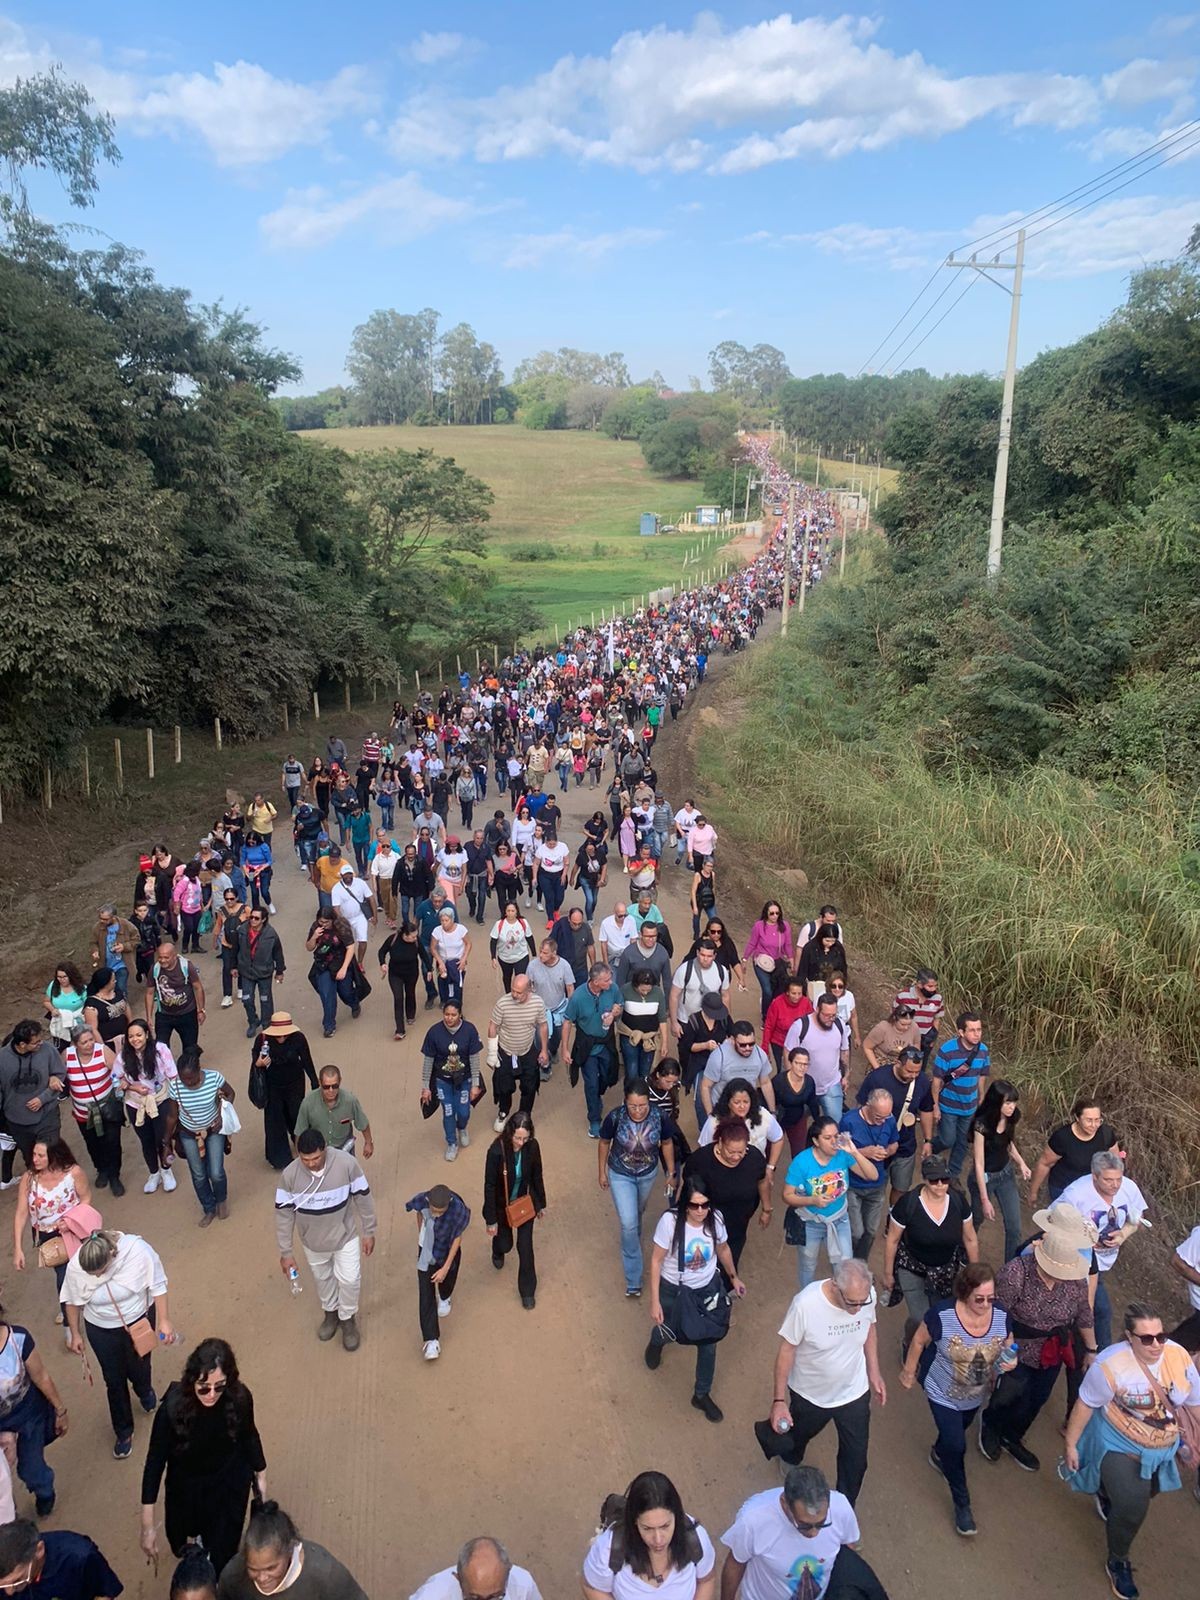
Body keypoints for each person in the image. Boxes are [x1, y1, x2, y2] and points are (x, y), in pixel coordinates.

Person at [1063, 1302, 1200, 1600]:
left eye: (1160, 1336)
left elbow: (1193, 1403)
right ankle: (1118, 1559)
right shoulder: (1110, 1365)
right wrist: (1071, 1444)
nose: (1156, 1344)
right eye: (1147, 1338)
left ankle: (1105, 1490)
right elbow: (1086, 1403)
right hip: (1118, 1443)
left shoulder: (1177, 1357)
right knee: (1133, 1508)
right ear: (1129, 1337)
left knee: (1147, 1490)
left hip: (1162, 1448)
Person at [978, 1202, 1099, 1471]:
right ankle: (992, 1426)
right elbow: (998, 1313)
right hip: (1016, 1346)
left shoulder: (1076, 1279)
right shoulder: (1016, 1273)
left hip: (1052, 1350)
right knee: (1008, 1393)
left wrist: (1091, 1349)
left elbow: (1083, 1313)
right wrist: (1003, 1347)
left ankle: (1013, 1436)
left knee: (1037, 1398)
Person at [898, 1261, 1014, 1536]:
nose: (986, 1304)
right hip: (942, 1391)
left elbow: (1009, 1343)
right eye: (979, 1299)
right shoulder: (942, 1315)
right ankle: (962, 1502)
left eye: (991, 1298)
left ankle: (939, 1453)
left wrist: (1011, 1358)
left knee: (956, 1433)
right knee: (957, 1445)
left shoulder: (1001, 1315)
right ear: (964, 1292)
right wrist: (909, 1370)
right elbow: (918, 1341)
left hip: (975, 1394)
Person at [139, 1338, 267, 1574]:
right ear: (191, 1380)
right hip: (187, 1486)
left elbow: (250, 1435)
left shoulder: (239, 1398)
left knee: (224, 1547)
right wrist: (147, 1524)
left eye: (220, 1386)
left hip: (229, 1482)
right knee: (183, 1537)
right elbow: (154, 1463)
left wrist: (261, 1475)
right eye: (203, 1387)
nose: (211, 1394)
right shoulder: (172, 1409)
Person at [767, 1259, 885, 1507]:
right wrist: (779, 1401)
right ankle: (790, 1456)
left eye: (861, 1302)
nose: (856, 1309)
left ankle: (843, 1510)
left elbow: (870, 1328)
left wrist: (873, 1371)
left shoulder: (866, 1296)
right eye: (851, 1302)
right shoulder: (805, 1305)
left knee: (856, 1460)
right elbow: (787, 1350)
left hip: (854, 1392)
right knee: (798, 1436)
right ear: (834, 1286)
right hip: (810, 1393)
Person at [61, 1228, 175, 1459]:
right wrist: (75, 1333)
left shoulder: (137, 1251)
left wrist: (163, 1320)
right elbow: (72, 1301)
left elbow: (157, 1283)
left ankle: (144, 1389)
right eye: (90, 1274)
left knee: (140, 1364)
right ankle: (123, 1430)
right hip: (100, 1329)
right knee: (113, 1380)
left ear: (111, 1256)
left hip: (138, 1321)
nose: (94, 1277)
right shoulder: (76, 1267)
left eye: (98, 1272)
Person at [645, 1177, 746, 1424]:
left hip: (707, 1289)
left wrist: (734, 1277)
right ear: (684, 1205)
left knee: (708, 1341)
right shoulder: (670, 1222)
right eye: (694, 1205)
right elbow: (657, 1260)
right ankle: (657, 1340)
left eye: (705, 1204)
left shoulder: (716, 1219)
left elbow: (723, 1249)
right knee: (671, 1329)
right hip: (675, 1290)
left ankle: (701, 1394)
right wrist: (655, 1301)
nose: (700, 1211)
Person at [720, 1465, 885, 1600]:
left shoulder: (841, 1507)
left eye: (822, 1524)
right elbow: (735, 1563)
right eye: (805, 1526)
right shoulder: (753, 1520)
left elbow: (847, 1550)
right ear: (785, 1504)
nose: (814, 1533)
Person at [276, 1130, 376, 1351]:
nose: (311, 1164)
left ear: (325, 1151)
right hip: (312, 1242)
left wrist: (369, 1231)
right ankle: (331, 1313)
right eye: (305, 1159)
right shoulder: (290, 1175)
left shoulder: (346, 1164)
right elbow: (283, 1214)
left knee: (350, 1280)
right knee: (323, 1279)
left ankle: (348, 1317)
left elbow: (363, 1197)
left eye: (316, 1158)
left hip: (345, 1237)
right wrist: (286, 1253)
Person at [882, 1156, 979, 1352]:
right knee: (921, 1317)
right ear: (925, 1180)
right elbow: (892, 1239)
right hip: (912, 1266)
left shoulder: (958, 1202)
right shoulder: (908, 1204)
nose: (940, 1185)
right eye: (934, 1180)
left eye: (945, 1179)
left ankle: (932, 1349)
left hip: (946, 1269)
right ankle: (910, 1342)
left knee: (943, 1313)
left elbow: (970, 1239)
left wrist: (975, 1272)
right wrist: (887, 1273)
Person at [599, 1078, 680, 1298]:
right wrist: (602, 1171)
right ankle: (633, 1277)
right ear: (625, 1102)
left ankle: (633, 1231)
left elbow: (667, 1143)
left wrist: (671, 1173)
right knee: (628, 1223)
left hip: (647, 1175)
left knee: (637, 1213)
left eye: (642, 1105)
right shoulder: (615, 1117)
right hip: (620, 1174)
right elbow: (605, 1142)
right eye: (633, 1106)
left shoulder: (659, 1116)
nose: (638, 1111)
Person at [1060, 1153, 1148, 1350]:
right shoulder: (1075, 1194)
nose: (1115, 1185)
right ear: (1094, 1176)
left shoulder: (1129, 1187)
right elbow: (1053, 1223)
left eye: (1118, 1179)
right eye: (1108, 1180)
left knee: (1091, 1307)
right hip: (1080, 1262)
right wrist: (1080, 1240)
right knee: (1101, 1310)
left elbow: (1138, 1217)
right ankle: (1094, 1353)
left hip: (1106, 1260)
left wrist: (1124, 1233)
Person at [583, 1471, 716, 1600]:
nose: (658, 1539)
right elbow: (593, 1588)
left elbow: (706, 1580)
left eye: (665, 1526)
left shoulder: (695, 1539)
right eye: (647, 1528)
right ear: (634, 1521)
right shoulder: (609, 1550)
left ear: (676, 1516)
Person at [784, 1118, 878, 1289]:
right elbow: (787, 1196)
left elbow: (872, 1176)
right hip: (810, 1222)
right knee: (808, 1265)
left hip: (839, 1219)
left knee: (844, 1265)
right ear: (815, 1141)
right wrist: (812, 1200)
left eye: (836, 1136)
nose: (834, 1142)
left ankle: (842, 1299)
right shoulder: (802, 1162)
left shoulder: (843, 1155)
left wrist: (855, 1152)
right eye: (827, 1138)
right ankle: (806, 1298)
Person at [216, 1500, 367, 1600]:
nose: (262, 1578)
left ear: (289, 1550)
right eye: (253, 1569)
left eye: (271, 1568)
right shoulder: (232, 1577)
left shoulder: (326, 1574)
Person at [0, 1305, 70, 1516]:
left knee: (30, 1469)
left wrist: (60, 1411)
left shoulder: (18, 1339)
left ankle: (44, 1491)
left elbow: (42, 1377)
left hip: (28, 1418)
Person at [12, 1136, 92, 1308]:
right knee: (63, 1271)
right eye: (34, 1154)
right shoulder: (29, 1178)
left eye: (41, 1155)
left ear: (54, 1156)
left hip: (72, 1230)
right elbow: (21, 1213)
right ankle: (71, 1307)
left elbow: (85, 1198)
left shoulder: (73, 1173)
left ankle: (69, 1313)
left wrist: (71, 1221)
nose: (35, 1159)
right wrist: (18, 1248)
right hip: (46, 1234)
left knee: (71, 1270)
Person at [684, 1117, 770, 1270]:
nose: (736, 1157)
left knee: (731, 1260)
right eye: (731, 1152)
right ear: (720, 1143)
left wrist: (766, 1208)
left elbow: (762, 1181)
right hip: (706, 1223)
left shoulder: (754, 1158)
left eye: (741, 1152)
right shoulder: (700, 1161)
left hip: (739, 1224)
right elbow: (687, 1190)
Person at [483, 1112, 546, 1310]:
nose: (520, 1142)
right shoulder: (496, 1151)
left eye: (525, 1138)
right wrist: (491, 1219)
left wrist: (540, 1204)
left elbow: (537, 1176)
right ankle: (497, 1249)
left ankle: (527, 1291)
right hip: (502, 1207)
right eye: (517, 1138)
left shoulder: (533, 1147)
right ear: (510, 1133)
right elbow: (490, 1186)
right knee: (506, 1243)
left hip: (524, 1204)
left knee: (525, 1247)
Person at [856, 1046, 934, 1203]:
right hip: (879, 1145)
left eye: (916, 1072)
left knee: (901, 1188)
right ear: (898, 1063)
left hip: (905, 1144)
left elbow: (926, 1110)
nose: (913, 1076)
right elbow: (861, 1111)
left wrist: (927, 1140)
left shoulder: (922, 1081)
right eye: (909, 1071)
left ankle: (893, 1219)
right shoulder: (877, 1078)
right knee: (876, 1188)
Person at [404, 1184, 470, 1362]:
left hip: (446, 1249)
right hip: (426, 1252)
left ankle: (445, 1295)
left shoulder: (458, 1210)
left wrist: (445, 1268)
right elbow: (416, 1210)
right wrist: (422, 1235)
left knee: (447, 1279)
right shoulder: (422, 1199)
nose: (436, 1214)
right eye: (434, 1210)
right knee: (425, 1293)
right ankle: (431, 1339)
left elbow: (457, 1238)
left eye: (440, 1212)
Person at [167, 1048, 233, 1226]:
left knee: (216, 1172)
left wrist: (221, 1115)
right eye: (183, 1078)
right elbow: (172, 1116)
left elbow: (230, 1093)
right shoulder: (174, 1086)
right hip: (189, 1134)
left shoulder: (214, 1078)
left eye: (191, 1077)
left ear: (199, 1070)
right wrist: (166, 1142)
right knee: (198, 1174)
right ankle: (209, 1208)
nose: (187, 1082)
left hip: (213, 1130)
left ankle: (221, 1200)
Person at [968, 1079, 1031, 1264]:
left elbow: (1008, 1143)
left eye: (1014, 1102)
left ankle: (1010, 1269)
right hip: (984, 1178)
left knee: (1014, 1227)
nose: (1012, 1107)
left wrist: (1021, 1163)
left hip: (1006, 1175)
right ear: (997, 1102)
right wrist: (985, 1198)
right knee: (977, 1218)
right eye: (1008, 1103)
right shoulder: (982, 1125)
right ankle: (964, 1252)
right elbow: (978, 1163)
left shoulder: (1012, 1118)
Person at [112, 1020, 179, 1193]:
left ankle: (166, 1169)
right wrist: (133, 1087)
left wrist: (178, 1100)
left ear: (147, 1035)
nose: (135, 1039)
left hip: (161, 1099)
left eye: (139, 1035)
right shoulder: (122, 1057)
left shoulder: (160, 1050)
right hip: (136, 1103)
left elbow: (173, 1075)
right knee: (146, 1140)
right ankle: (154, 1173)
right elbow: (115, 1079)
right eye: (131, 1036)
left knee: (163, 1138)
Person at [61, 1023, 125, 1196]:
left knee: (112, 1142)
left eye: (91, 1040)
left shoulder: (102, 1051)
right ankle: (101, 1169)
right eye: (84, 1042)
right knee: (93, 1143)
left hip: (107, 1109)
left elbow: (120, 1071)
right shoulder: (67, 1056)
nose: (89, 1044)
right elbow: (59, 1075)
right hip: (83, 1113)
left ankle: (114, 1176)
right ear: (75, 1044)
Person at [562, 962, 623, 1139]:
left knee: (608, 1077)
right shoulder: (578, 997)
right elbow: (567, 1022)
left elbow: (620, 1003)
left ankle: (597, 1098)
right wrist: (565, 1049)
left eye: (610, 978)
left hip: (607, 1043)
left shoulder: (613, 989)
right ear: (595, 981)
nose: (610, 983)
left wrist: (616, 1011)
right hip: (587, 1046)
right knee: (591, 1084)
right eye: (606, 980)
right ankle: (594, 1119)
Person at [252, 1013, 317, 1172]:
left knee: (297, 1117)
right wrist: (259, 1063)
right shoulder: (262, 1040)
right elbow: (255, 1060)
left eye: (284, 1034)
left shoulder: (298, 1038)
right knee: (275, 1121)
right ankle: (280, 1158)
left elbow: (307, 1060)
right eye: (278, 1034)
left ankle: (305, 1149)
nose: (281, 1037)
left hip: (295, 1085)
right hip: (272, 1086)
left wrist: (314, 1081)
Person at [839, 1090, 898, 1261]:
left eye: (886, 1117)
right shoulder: (849, 1121)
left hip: (878, 1185)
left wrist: (886, 1152)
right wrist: (865, 1152)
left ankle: (860, 1267)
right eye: (879, 1116)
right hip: (853, 1185)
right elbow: (839, 1151)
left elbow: (894, 1144)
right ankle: (849, 1264)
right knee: (857, 1232)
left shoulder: (889, 1119)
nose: (883, 1121)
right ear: (868, 1106)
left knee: (870, 1231)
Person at [1028, 1097, 1121, 1205]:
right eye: (1089, 1120)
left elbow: (1115, 1160)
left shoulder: (1106, 1134)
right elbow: (1044, 1164)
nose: (1094, 1125)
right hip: (1064, 1188)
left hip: (1092, 1188)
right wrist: (1033, 1192)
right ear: (1077, 1118)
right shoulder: (1062, 1138)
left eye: (1097, 1120)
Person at [420, 1002, 483, 1161]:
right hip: (443, 1081)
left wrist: (475, 1084)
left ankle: (462, 1128)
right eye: (446, 1014)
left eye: (453, 1015)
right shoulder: (434, 1032)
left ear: (460, 1014)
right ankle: (452, 1143)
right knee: (448, 1112)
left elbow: (474, 1059)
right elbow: (428, 1060)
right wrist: (425, 1087)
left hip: (464, 1079)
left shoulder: (470, 1030)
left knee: (463, 1112)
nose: (449, 1018)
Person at [931, 1011, 989, 1179]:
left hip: (969, 1106)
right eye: (972, 1030)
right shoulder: (947, 1050)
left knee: (962, 1143)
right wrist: (935, 1106)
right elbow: (936, 1081)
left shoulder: (983, 1051)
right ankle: (930, 1147)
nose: (977, 1034)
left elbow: (982, 1074)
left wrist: (981, 1096)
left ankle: (953, 1174)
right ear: (961, 1032)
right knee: (948, 1140)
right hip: (948, 1105)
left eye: (979, 1029)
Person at [0, 1520, 122, 1600]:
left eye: (18, 1580)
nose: (9, 1592)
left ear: (39, 1550)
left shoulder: (79, 1558)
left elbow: (104, 1593)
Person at [0, 1021, 65, 1169]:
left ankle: (57, 1184)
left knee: (50, 1152)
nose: (40, 1044)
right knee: (32, 1160)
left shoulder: (48, 1051)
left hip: (47, 1116)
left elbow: (60, 1074)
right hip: (18, 1122)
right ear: (22, 1044)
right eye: (35, 1043)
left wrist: (43, 1098)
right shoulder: (2, 1059)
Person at [487, 975, 549, 1126]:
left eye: (519, 992)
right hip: (506, 1051)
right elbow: (493, 1026)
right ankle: (503, 1112)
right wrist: (492, 1053)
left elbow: (543, 1025)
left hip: (527, 1051)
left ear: (529, 990)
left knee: (530, 1086)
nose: (514, 995)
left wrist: (544, 1050)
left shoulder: (537, 1003)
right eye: (513, 990)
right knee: (504, 1086)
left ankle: (524, 1116)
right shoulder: (502, 1004)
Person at [412, 1538, 544, 1600]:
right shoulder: (432, 1596)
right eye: (474, 1599)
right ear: (458, 1579)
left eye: (495, 1597)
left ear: (508, 1575)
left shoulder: (523, 1585)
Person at [783, 997, 849, 1123]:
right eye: (826, 1015)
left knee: (836, 1125)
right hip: (804, 1086)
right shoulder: (800, 1027)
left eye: (833, 1015)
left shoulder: (839, 1025)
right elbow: (788, 1053)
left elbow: (844, 1051)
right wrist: (791, 1081)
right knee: (796, 1123)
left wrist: (846, 1076)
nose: (830, 1019)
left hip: (831, 1084)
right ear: (817, 1009)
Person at [699, 1022, 775, 1121]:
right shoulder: (719, 1057)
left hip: (747, 1109)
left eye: (751, 1044)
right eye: (743, 1045)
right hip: (724, 1111)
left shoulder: (760, 1055)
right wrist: (711, 1116)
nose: (748, 1048)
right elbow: (705, 1086)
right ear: (732, 1041)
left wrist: (773, 1112)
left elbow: (765, 1083)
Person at [295, 1066, 374, 1161]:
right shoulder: (308, 1103)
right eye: (326, 1087)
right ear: (320, 1083)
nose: (331, 1090)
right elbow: (300, 1132)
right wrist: (300, 1158)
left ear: (340, 1081)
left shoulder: (350, 1101)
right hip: (318, 1151)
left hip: (344, 1149)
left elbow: (363, 1123)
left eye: (335, 1086)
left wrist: (368, 1143)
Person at [234, 907, 285, 1041]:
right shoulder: (242, 931)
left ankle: (267, 1025)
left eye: (256, 918)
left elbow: (278, 953)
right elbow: (235, 949)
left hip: (264, 972)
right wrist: (233, 967)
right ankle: (253, 1021)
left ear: (263, 919)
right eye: (251, 917)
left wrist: (280, 971)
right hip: (246, 971)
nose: (253, 920)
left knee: (265, 1000)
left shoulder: (271, 934)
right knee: (246, 999)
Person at [145, 943, 206, 1055]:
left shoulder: (187, 966)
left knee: (190, 1048)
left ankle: (189, 1070)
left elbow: (198, 988)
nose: (162, 960)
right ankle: (165, 1070)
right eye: (160, 957)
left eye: (166, 957)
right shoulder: (155, 969)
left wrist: (201, 1010)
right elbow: (149, 993)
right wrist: (148, 1017)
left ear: (175, 956)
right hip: (164, 1014)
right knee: (160, 1049)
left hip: (187, 1014)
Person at [741, 901, 794, 1022]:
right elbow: (752, 943)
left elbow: (788, 945)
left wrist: (791, 960)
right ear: (766, 914)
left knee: (778, 991)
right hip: (761, 962)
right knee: (767, 990)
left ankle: (770, 1006)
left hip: (777, 963)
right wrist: (745, 959)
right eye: (772, 913)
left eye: (777, 913)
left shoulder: (784, 926)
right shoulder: (759, 926)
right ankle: (766, 1017)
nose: (775, 916)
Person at [615, 968, 670, 1082]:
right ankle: (629, 1097)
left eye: (648, 990)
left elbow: (662, 1019)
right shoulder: (625, 990)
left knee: (645, 1073)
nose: (645, 993)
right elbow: (618, 1011)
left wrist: (664, 1043)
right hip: (629, 1036)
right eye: (642, 990)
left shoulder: (658, 993)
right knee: (631, 1071)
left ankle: (642, 1097)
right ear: (635, 985)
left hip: (649, 1038)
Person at [772, 1045, 821, 1159]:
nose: (802, 1067)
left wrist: (818, 1121)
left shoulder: (809, 1081)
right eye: (798, 1063)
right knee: (771, 1151)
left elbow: (812, 1102)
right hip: (779, 1119)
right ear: (790, 1063)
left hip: (798, 1119)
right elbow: (770, 1101)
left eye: (805, 1064)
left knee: (799, 1153)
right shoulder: (778, 1081)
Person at [379, 920, 421, 1040]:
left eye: (416, 935)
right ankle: (400, 1030)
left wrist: (429, 969)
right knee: (398, 998)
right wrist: (382, 964)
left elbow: (423, 954)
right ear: (405, 935)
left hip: (412, 973)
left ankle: (410, 1014)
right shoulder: (393, 939)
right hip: (395, 974)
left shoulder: (416, 941)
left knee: (410, 993)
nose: (415, 938)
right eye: (412, 936)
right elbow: (381, 952)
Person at [763, 978, 812, 1071]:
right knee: (784, 1070)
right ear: (787, 992)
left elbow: (811, 1024)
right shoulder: (777, 1003)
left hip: (800, 1044)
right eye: (794, 993)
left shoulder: (806, 1003)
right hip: (780, 1044)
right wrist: (765, 1047)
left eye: (799, 993)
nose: (797, 997)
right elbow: (769, 1026)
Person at [861, 1001, 923, 1073]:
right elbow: (867, 1047)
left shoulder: (914, 1028)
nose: (906, 1028)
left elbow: (916, 1048)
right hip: (881, 1063)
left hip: (902, 1066)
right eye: (902, 1024)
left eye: (909, 1024)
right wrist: (877, 1069)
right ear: (894, 1019)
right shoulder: (882, 1028)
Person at [489, 901, 537, 993]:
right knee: (507, 977)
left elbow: (529, 938)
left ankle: (521, 996)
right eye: (508, 911)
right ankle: (508, 995)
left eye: (512, 911)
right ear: (505, 912)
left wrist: (534, 954)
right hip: (505, 958)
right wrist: (493, 957)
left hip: (521, 956)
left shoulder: (523, 923)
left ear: (516, 911)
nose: (510, 913)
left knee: (521, 979)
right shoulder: (499, 924)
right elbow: (493, 941)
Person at [431, 906, 471, 1007]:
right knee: (443, 983)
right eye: (442, 920)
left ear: (452, 919)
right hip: (443, 962)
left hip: (458, 963)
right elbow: (433, 948)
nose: (444, 923)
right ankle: (445, 1001)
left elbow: (468, 944)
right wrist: (440, 962)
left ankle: (457, 1006)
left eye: (446, 920)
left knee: (457, 986)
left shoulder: (461, 929)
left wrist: (464, 959)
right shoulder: (437, 931)